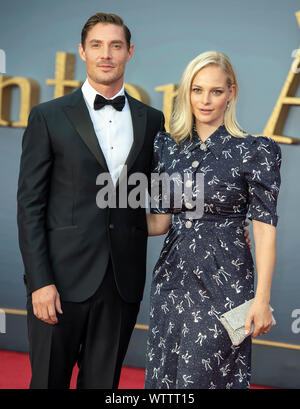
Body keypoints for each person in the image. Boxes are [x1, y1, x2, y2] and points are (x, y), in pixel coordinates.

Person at [16, 12, 165, 389]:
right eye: (97, 45)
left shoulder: (153, 120)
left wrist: (218, 219)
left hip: (121, 285)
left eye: (116, 46)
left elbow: (164, 195)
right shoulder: (48, 117)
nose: (106, 54)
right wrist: (40, 282)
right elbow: (29, 206)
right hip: (59, 283)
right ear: (82, 51)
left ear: (130, 52)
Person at [145, 51, 281, 389]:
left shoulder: (255, 151)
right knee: (166, 376)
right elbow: (160, 223)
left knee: (209, 377)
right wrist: (105, 220)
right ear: (186, 92)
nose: (205, 100)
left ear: (231, 93)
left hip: (227, 282)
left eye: (216, 91)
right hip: (171, 279)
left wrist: (262, 300)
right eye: (197, 90)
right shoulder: (168, 148)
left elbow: (264, 233)